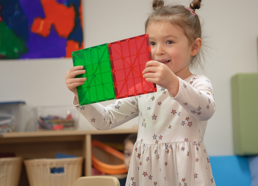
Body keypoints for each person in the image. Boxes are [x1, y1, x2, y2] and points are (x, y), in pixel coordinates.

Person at [65, 0, 216, 185]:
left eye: (169, 41)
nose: (158, 51)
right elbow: (105, 120)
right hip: (147, 173)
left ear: (194, 47)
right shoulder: (142, 89)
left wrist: (172, 83)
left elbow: (206, 109)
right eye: (151, 42)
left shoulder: (198, 83)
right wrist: (80, 94)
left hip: (184, 173)